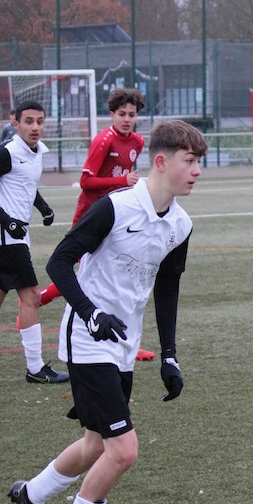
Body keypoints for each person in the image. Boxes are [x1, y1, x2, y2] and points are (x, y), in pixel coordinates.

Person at [7, 120, 208, 504]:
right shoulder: (115, 208)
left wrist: (170, 355)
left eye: (200, 162)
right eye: (190, 161)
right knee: (123, 450)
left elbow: (168, 290)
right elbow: (58, 261)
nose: (197, 171)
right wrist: (91, 312)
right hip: (87, 339)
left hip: (122, 343)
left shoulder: (180, 224)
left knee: (97, 443)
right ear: (161, 161)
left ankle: (31, 495)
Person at [35, 87, 156, 362]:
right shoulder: (104, 141)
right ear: (111, 114)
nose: (127, 119)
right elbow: (87, 182)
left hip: (119, 217)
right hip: (90, 215)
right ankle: (39, 298)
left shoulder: (137, 142)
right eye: (121, 114)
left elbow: (127, 181)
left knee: (121, 275)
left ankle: (128, 340)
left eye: (132, 114)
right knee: (80, 270)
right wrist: (122, 182)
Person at [0, 100, 68, 383]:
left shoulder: (37, 152)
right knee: (30, 296)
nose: (35, 127)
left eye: (40, 121)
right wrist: (6, 219)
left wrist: (44, 208)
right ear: (15, 123)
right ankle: (35, 369)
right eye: (29, 121)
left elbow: (27, 187)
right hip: (6, 238)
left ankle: (36, 368)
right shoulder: (8, 152)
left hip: (15, 236)